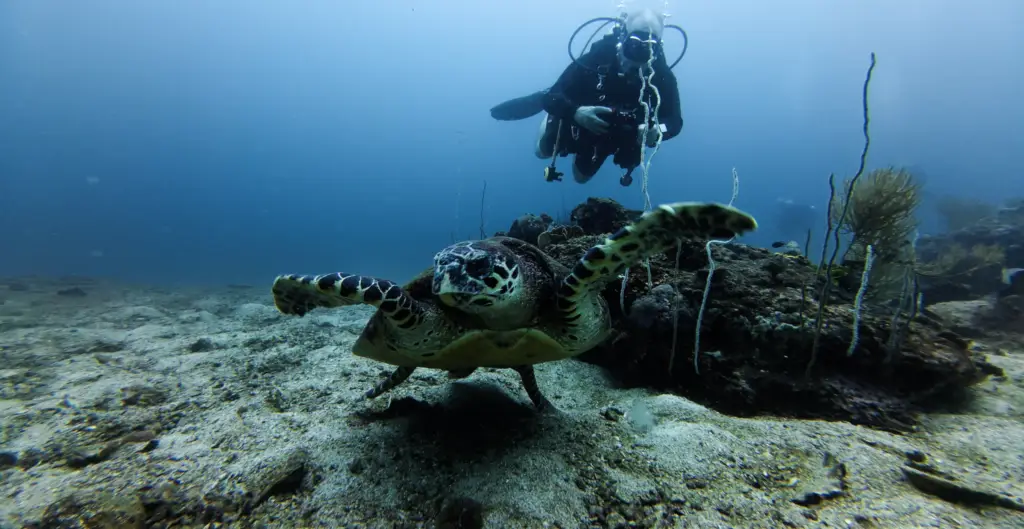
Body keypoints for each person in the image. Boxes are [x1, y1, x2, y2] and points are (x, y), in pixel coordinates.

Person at [490, 8, 684, 186]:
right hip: (574, 116)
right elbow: (553, 95)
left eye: (649, 48)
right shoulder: (598, 57)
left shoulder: (662, 75)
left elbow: (675, 121)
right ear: (623, 40)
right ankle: (551, 118)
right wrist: (575, 112)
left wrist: (658, 131)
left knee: (581, 178)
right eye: (634, 45)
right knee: (543, 152)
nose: (637, 62)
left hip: (612, 134)